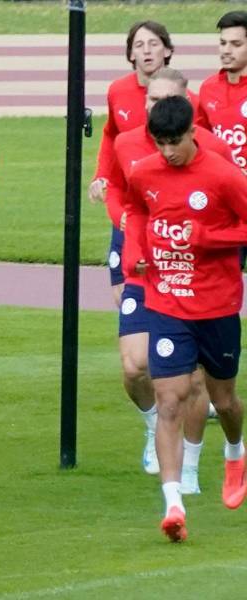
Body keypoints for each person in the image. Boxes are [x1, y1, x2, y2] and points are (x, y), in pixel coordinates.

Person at [123, 96, 247, 542]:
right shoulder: (144, 172)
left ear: (194, 132)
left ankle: (235, 451)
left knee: (224, 401)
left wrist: (209, 237)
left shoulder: (223, 175)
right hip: (167, 302)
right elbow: (136, 212)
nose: (168, 151)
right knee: (170, 400)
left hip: (217, 306)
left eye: (175, 141)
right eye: (160, 143)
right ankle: (173, 503)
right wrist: (136, 252)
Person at [108, 69, 233, 489]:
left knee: (198, 381)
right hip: (148, 274)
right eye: (151, 98)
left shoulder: (215, 152)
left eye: (166, 99)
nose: (157, 106)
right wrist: (129, 255)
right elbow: (124, 199)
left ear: (188, 107)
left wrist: (208, 241)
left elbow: (231, 209)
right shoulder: (128, 146)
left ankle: (191, 466)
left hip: (198, 281)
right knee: (134, 366)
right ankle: (156, 431)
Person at [92, 21, 198, 307]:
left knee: (171, 289)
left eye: (153, 44)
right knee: (123, 292)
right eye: (139, 45)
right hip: (129, 203)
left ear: (168, 50)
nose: (147, 51)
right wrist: (101, 176)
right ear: (130, 54)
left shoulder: (190, 102)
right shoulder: (118, 91)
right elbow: (110, 135)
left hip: (168, 210)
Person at [197, 11, 247, 175]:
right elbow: (200, 137)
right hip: (219, 182)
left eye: (236, 44)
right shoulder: (208, 88)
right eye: (223, 43)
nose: (226, 50)